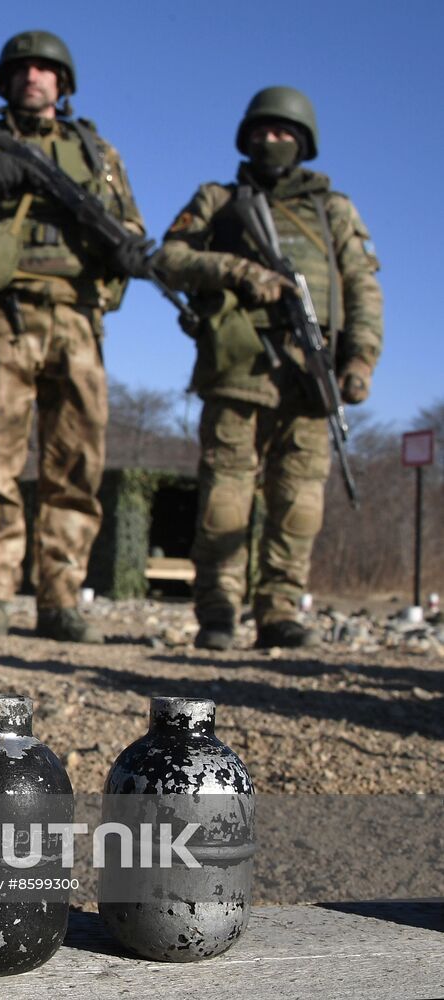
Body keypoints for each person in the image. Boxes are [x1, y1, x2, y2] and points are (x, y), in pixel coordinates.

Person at [0, 30, 148, 642]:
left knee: (76, 462)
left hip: (78, 316)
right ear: (5, 82)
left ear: (64, 83)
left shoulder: (97, 151)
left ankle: (60, 599)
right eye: (22, 69)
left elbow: (128, 223)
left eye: (46, 70)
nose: (33, 77)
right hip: (5, 313)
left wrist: (126, 245)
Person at [155, 86, 383, 649]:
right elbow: (169, 258)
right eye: (261, 131)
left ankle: (280, 610)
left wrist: (360, 358)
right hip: (238, 364)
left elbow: (363, 289)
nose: (271, 140)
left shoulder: (333, 210)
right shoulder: (218, 199)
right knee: (225, 495)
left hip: (311, 372)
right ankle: (218, 610)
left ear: (303, 142)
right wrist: (240, 272)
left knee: (299, 498)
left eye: (283, 133)